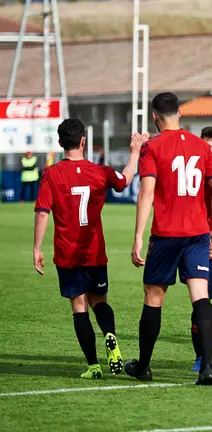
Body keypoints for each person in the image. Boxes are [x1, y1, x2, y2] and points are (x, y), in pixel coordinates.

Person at [125, 92, 212, 385]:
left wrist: (138, 237)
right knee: (200, 296)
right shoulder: (201, 146)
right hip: (197, 233)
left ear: (154, 117)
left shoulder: (152, 147)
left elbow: (146, 192)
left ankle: (144, 366)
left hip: (166, 234)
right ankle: (207, 367)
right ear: (180, 112)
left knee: (154, 296)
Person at [32, 118, 144, 378]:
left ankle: (93, 366)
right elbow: (125, 179)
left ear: (60, 143)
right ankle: (110, 335)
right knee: (99, 301)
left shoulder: (52, 173)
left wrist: (37, 248)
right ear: (83, 141)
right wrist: (135, 152)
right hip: (94, 252)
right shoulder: (99, 171)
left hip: (67, 254)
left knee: (79, 307)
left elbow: (42, 212)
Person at [190, 125, 212, 372]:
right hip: (203, 244)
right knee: (201, 300)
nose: (209, 151)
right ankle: (201, 356)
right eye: (205, 146)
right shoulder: (195, 176)